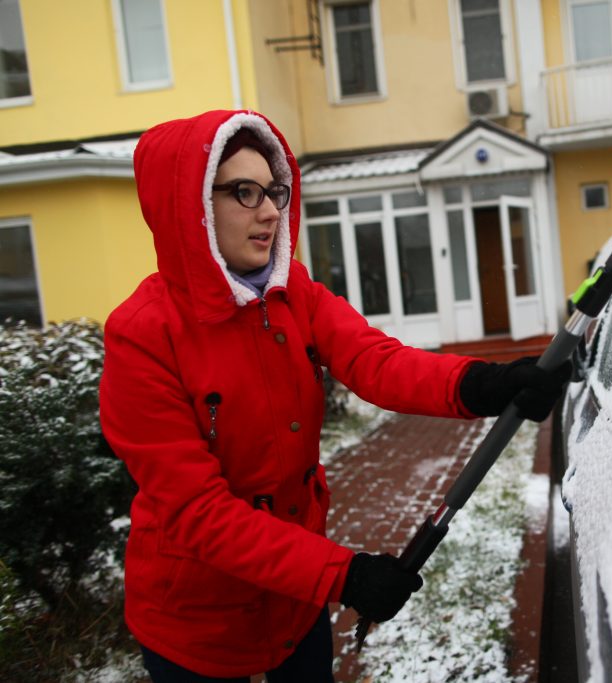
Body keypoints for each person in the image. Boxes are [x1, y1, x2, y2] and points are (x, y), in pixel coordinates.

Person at [98, 109, 569, 682]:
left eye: (272, 191)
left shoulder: (290, 291)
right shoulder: (143, 337)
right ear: (189, 205)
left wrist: (484, 384)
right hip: (198, 622)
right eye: (244, 193)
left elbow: (374, 361)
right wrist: (343, 575)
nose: (271, 210)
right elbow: (198, 512)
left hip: (295, 606)